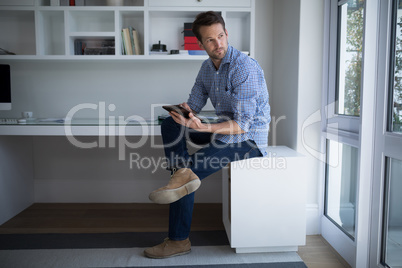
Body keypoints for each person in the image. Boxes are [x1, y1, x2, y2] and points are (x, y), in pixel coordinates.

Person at [144, 11, 271, 259]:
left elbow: (243, 125)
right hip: (222, 130)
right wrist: (186, 113)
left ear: (226, 34)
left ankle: (178, 240)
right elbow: (195, 103)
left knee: (187, 173)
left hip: (248, 139)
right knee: (170, 125)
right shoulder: (206, 68)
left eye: (221, 36)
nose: (218, 44)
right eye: (210, 40)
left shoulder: (244, 67)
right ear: (200, 44)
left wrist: (205, 128)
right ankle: (179, 173)